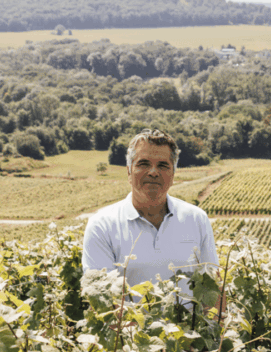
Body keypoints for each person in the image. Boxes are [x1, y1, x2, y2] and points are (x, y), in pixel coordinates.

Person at [82, 129, 218, 304]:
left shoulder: (197, 219)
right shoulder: (101, 226)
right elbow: (104, 303)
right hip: (127, 332)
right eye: (144, 164)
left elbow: (213, 289)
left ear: (173, 173)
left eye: (163, 165)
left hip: (192, 331)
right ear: (129, 171)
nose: (153, 172)